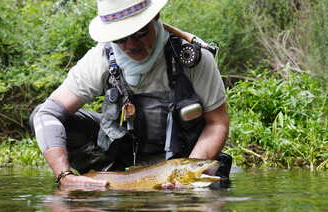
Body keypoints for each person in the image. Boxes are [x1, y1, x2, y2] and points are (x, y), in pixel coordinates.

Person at [30, 0, 230, 189]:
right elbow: (46, 114)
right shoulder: (100, 59)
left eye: (139, 32)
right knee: (49, 117)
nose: (131, 45)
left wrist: (187, 169)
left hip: (180, 163)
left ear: (156, 16)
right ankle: (107, 178)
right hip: (120, 167)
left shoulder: (192, 58)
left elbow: (217, 122)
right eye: (120, 38)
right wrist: (64, 176)